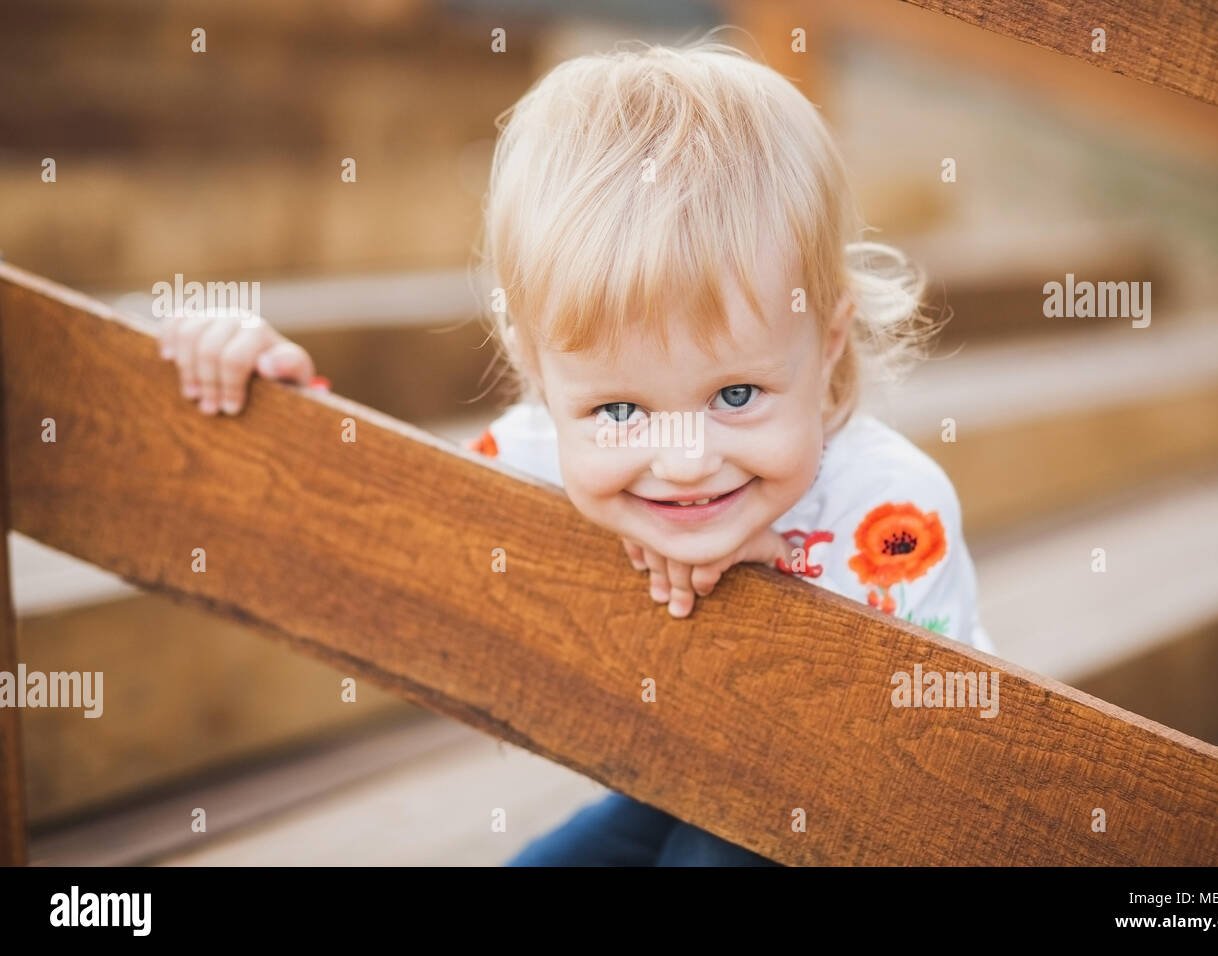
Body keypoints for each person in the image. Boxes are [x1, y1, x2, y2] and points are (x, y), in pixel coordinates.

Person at [157, 36, 995, 866]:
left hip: (854, 824)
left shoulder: (890, 505)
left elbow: (926, 762)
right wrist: (281, 398)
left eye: (735, 396)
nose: (684, 462)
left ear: (829, 341)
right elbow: (394, 524)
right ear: (536, 371)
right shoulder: (534, 451)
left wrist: (789, 596)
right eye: (621, 408)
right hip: (681, 783)